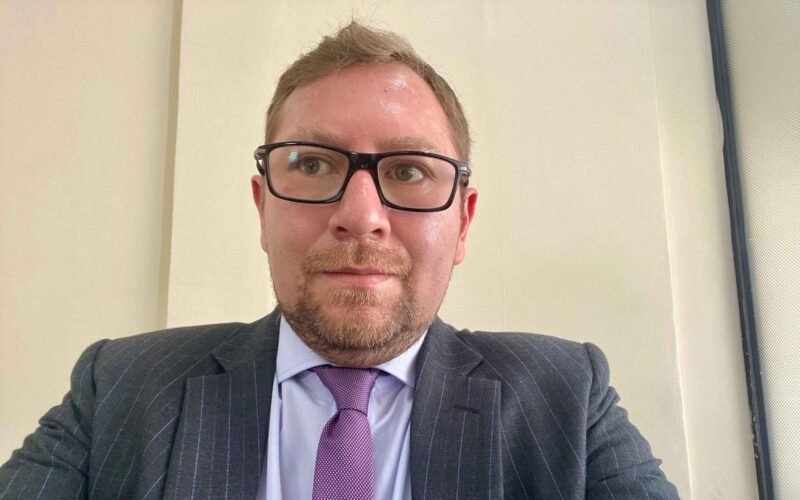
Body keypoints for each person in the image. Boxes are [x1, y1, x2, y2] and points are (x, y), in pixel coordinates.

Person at [0, 22, 679, 500]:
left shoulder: (568, 400)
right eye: (313, 164)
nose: (361, 214)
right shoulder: (119, 389)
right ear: (262, 207)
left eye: (409, 170)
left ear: (463, 223)